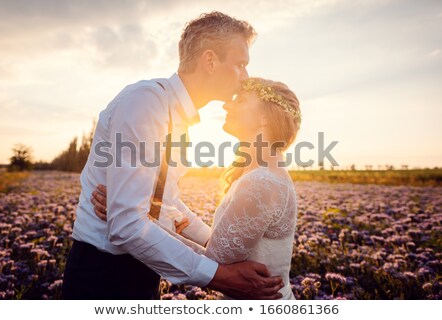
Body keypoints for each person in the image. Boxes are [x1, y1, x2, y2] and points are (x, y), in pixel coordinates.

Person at [61, 12, 285, 300]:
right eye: (240, 65)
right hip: (104, 274)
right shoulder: (147, 102)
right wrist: (218, 275)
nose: (245, 77)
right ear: (210, 61)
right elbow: (127, 225)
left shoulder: (179, 118)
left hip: (141, 266)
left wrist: (218, 248)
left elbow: (166, 205)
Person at [92, 77, 301, 299]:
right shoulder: (260, 172)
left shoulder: (262, 182)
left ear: (264, 118)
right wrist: (135, 205)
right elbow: (223, 247)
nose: (226, 105)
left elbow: (215, 264)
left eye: (239, 101)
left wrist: (134, 215)